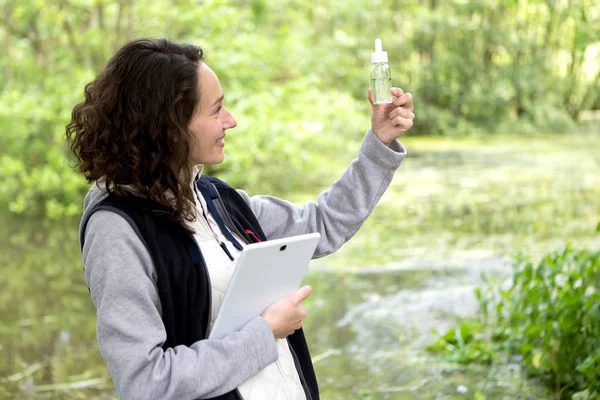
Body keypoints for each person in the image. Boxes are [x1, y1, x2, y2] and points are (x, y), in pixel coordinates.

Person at [66, 38, 414, 400]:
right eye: (215, 110)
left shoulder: (217, 199)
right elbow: (145, 384)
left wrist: (380, 143)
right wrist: (265, 333)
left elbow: (323, 224)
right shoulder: (116, 231)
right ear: (167, 124)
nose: (230, 120)